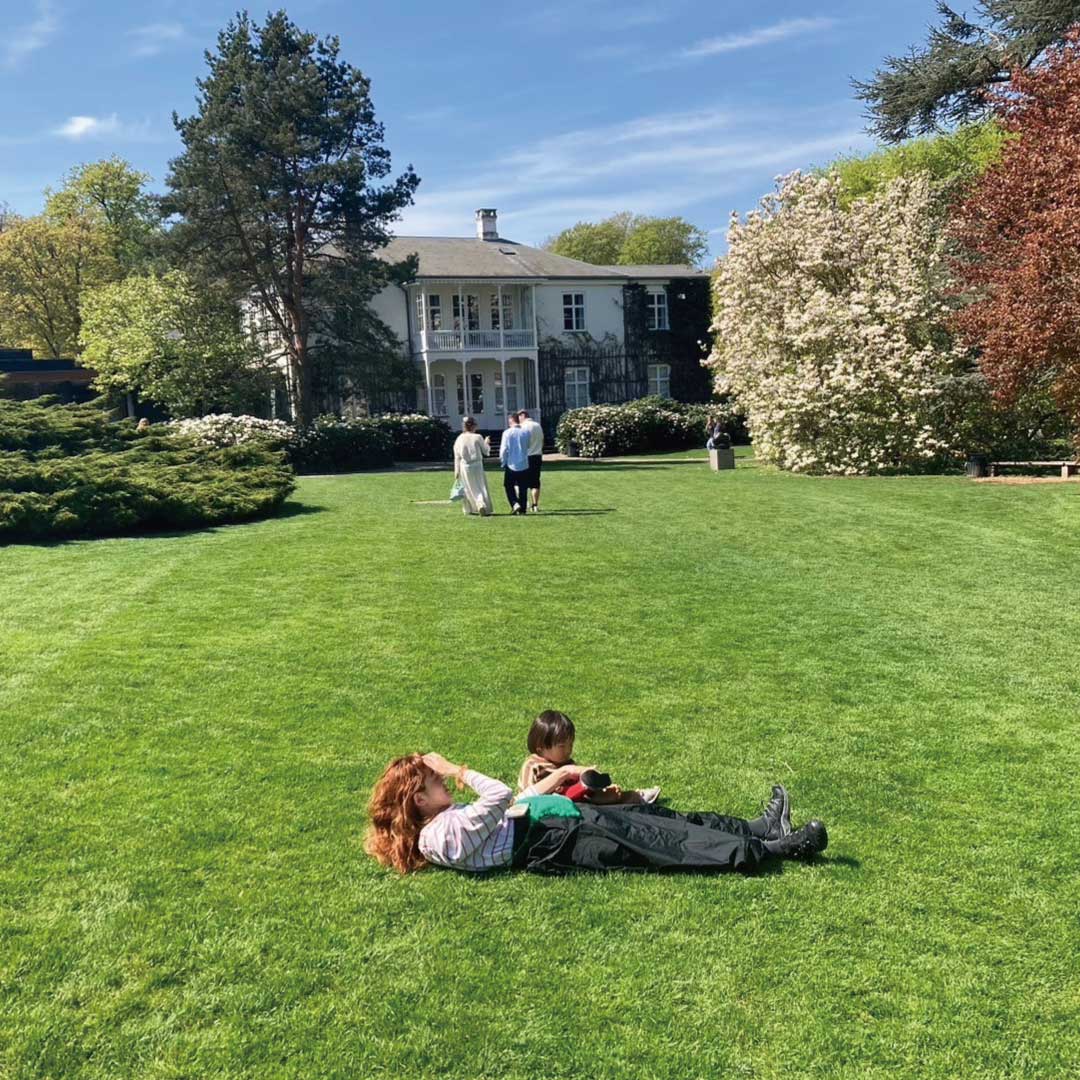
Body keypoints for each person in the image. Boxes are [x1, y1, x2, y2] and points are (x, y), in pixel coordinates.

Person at [364, 752, 827, 876]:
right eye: (433, 782)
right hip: (553, 842)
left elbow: (508, 803)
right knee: (659, 843)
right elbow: (499, 795)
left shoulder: (441, 823)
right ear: (418, 800)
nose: (442, 782)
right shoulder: (437, 838)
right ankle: (771, 848)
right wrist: (457, 769)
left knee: (659, 821)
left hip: (554, 825)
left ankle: (757, 827)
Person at [517, 709, 661, 806]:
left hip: (579, 804)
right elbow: (525, 798)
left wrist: (601, 793)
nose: (568, 749)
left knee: (611, 798)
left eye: (571, 743)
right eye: (562, 746)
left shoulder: (568, 763)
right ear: (540, 748)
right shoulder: (533, 765)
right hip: (550, 810)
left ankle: (637, 797)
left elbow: (583, 793)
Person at [453, 416, 493, 516]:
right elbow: (486, 451)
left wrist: (456, 470)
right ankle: (481, 504)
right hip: (477, 464)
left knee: (468, 487)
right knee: (480, 486)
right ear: (473, 426)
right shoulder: (478, 437)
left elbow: (457, 456)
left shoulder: (459, 438)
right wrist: (486, 442)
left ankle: (469, 508)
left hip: (465, 466)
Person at [499, 412, 531, 515]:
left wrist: (503, 461)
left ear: (511, 420)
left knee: (508, 485)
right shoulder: (526, 432)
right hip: (524, 463)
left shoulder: (507, 433)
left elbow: (503, 450)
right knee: (523, 488)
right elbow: (528, 446)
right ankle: (523, 508)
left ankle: (514, 503)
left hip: (511, 464)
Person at [518, 409, 544, 513]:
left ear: (523, 415)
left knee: (519, 481)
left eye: (519, 417)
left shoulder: (522, 427)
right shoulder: (537, 425)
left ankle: (525, 502)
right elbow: (542, 441)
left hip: (525, 456)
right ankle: (535, 505)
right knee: (535, 482)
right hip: (537, 456)